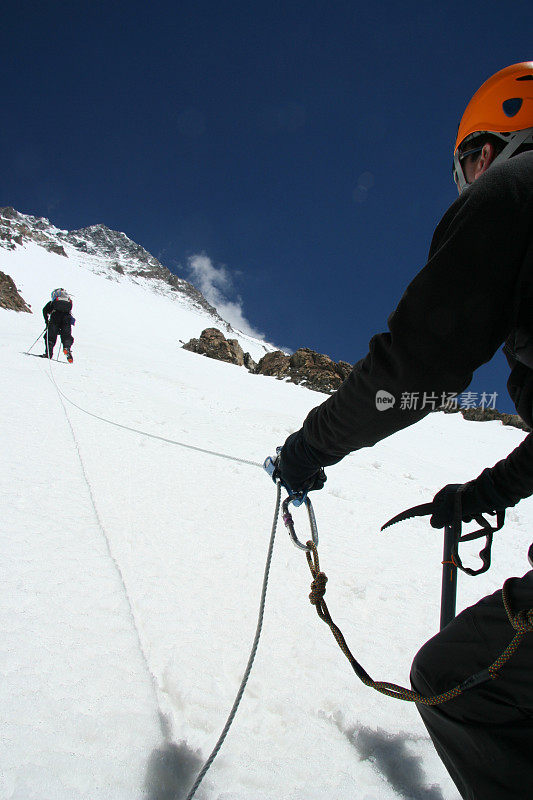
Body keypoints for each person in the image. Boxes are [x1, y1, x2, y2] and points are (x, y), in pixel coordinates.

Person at [272, 62, 533, 799]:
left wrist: (309, 448)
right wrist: (487, 489)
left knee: (457, 683)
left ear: (487, 146)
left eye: (463, 166)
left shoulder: (513, 189)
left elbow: (418, 368)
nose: (466, 180)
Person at [42, 288, 75, 363]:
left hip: (55, 317)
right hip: (67, 318)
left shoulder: (52, 302)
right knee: (66, 336)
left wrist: (47, 322)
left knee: (50, 336)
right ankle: (67, 347)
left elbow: (44, 310)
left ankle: (48, 354)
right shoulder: (68, 303)